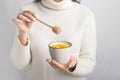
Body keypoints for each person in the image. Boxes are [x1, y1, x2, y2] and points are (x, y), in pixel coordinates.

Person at [10, 0, 96, 80]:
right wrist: (23, 33)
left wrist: (72, 65)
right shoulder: (28, 12)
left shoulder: (85, 14)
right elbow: (19, 64)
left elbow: (89, 63)